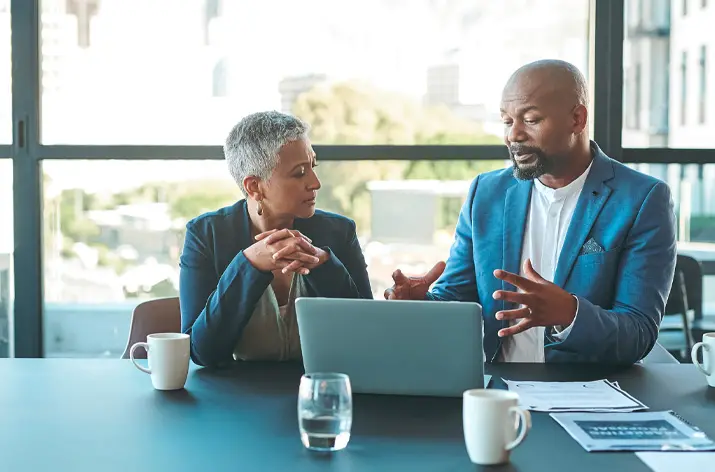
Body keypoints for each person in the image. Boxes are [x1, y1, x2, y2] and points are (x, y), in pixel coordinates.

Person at [385, 60, 676, 365]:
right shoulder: (485, 193)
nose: (514, 135)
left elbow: (639, 332)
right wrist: (421, 306)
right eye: (507, 121)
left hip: (589, 393)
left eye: (531, 119)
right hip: (498, 389)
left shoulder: (643, 199)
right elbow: (457, 299)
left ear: (577, 119)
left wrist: (570, 314)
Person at [180, 111, 373, 367]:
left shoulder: (340, 232)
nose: (315, 183)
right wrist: (248, 265)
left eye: (312, 167)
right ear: (254, 187)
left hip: (320, 388)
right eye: (299, 173)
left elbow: (366, 335)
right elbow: (201, 352)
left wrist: (324, 265)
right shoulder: (205, 235)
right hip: (235, 397)